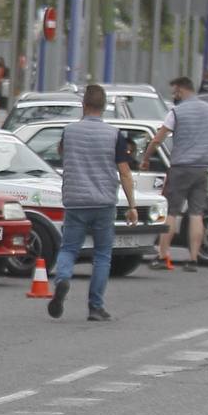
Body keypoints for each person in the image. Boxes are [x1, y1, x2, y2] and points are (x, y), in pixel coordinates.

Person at [48, 86, 139, 322]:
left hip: (75, 201)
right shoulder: (114, 134)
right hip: (103, 202)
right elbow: (125, 172)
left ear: (84, 105)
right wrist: (132, 205)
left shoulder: (70, 131)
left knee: (69, 248)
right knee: (102, 255)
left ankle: (63, 279)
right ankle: (95, 307)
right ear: (104, 106)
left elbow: (62, 152)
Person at [143, 76, 208, 271]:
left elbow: (157, 140)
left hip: (180, 168)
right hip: (202, 169)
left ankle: (162, 256)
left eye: (174, 91)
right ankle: (193, 259)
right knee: (197, 214)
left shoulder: (176, 112)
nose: (173, 95)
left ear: (181, 90)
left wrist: (145, 158)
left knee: (171, 212)